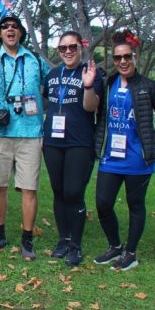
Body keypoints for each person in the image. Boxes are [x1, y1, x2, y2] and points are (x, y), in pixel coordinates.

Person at [0, 14, 50, 260]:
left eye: (15, 27)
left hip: (30, 132)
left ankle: (27, 239)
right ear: (0, 34)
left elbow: (54, 83)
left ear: (21, 33)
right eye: (5, 27)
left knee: (29, 188)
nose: (10, 30)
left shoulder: (35, 59)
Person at [92, 29, 155, 271]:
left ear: (134, 57)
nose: (123, 62)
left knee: (135, 205)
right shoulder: (108, 84)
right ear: (113, 60)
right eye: (118, 58)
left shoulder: (148, 85)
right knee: (103, 203)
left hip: (138, 159)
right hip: (110, 157)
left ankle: (130, 253)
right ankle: (115, 246)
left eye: (127, 56)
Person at [42, 32, 103, 266]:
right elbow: (47, 100)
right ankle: (63, 239)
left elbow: (91, 107)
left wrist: (88, 86)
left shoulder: (90, 72)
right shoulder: (53, 74)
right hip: (53, 142)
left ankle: (76, 245)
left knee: (73, 192)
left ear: (81, 48)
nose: (68, 51)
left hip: (79, 142)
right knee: (58, 191)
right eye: (63, 48)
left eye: (72, 47)